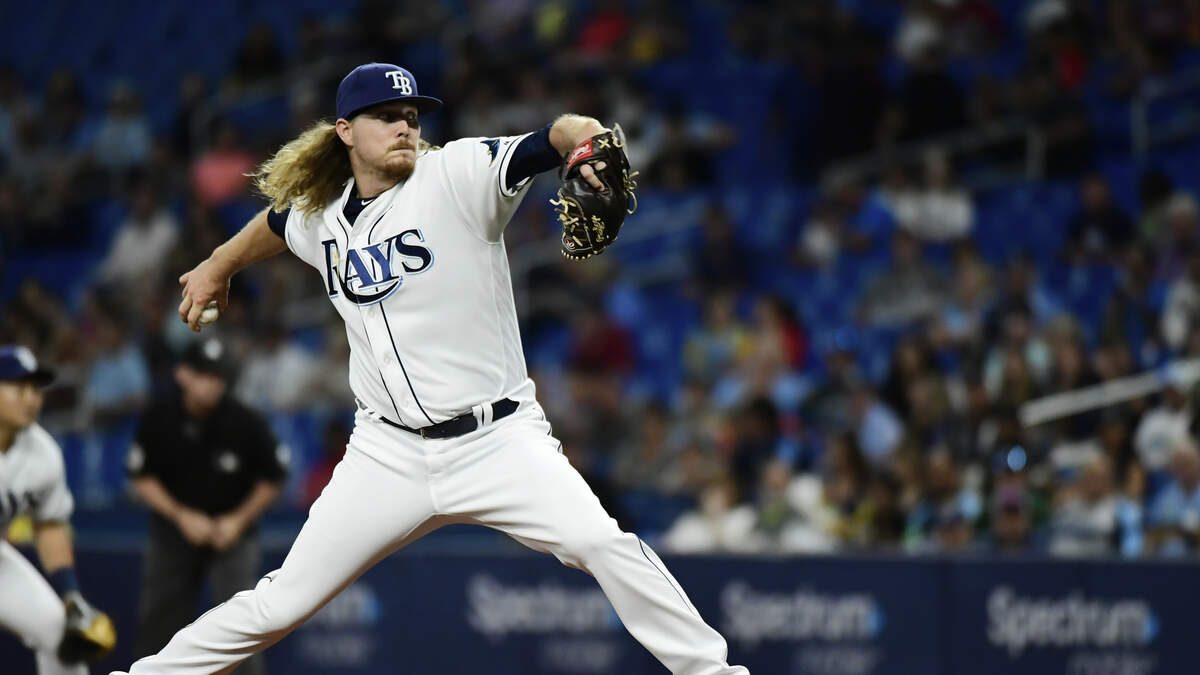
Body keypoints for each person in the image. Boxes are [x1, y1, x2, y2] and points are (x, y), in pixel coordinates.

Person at [111, 63, 748, 675]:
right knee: (281, 603)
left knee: (600, 544)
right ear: (345, 131)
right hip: (386, 453)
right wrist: (218, 264)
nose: (404, 127)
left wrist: (586, 137)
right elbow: (278, 223)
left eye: (412, 116)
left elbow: (555, 136)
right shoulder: (322, 215)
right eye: (386, 116)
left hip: (497, 440)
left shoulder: (456, 174)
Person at [126, 337, 286, 675]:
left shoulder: (244, 420)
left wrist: (238, 520)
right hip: (174, 532)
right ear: (182, 374)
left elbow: (273, 477)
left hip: (231, 535)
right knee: (160, 621)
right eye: (203, 374)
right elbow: (142, 476)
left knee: (243, 624)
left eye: (218, 376)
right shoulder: (159, 416)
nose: (212, 383)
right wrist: (181, 516)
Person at [0, 345, 113, 675]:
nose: (31, 398)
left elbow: (49, 525)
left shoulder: (44, 453)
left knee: (60, 635)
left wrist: (70, 595)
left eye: (36, 389)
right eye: (18, 387)